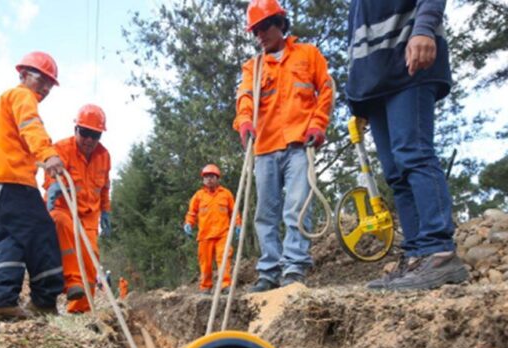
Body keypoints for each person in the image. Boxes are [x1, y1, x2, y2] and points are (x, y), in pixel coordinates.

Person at [347, 0, 468, 290]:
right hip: (373, 82)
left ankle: (439, 252)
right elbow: (355, 39)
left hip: (407, 61)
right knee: (395, 173)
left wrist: (424, 27)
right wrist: (357, 96)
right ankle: (416, 255)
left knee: (413, 154)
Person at [234, 0, 334, 292]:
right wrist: (243, 122)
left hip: (299, 144)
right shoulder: (253, 66)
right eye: (255, 30)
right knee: (265, 213)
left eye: (264, 27)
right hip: (264, 147)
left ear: (279, 23)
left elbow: (326, 90)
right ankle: (268, 271)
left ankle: (294, 268)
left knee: (297, 208)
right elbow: (245, 99)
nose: (259, 35)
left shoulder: (308, 55)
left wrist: (318, 124)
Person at [0, 51, 66, 317]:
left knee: (12, 239)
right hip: (10, 181)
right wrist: (48, 154)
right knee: (43, 232)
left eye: (50, 83)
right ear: (23, 75)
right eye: (42, 79)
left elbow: (21, 135)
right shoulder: (22, 96)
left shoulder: (7, 101)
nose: (46, 88)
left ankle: (0, 298)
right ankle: (44, 301)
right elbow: (31, 126)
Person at [44, 104, 112, 313]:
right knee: (61, 224)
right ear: (76, 130)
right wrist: (52, 186)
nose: (90, 140)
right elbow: (48, 176)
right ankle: (72, 281)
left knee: (91, 258)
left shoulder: (104, 156)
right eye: (85, 133)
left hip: (89, 215)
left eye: (95, 135)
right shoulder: (61, 149)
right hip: (64, 208)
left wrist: (106, 210)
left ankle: (80, 310)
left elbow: (104, 187)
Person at [183, 164, 241, 294]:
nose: (209, 179)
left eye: (212, 176)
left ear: (217, 178)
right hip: (205, 236)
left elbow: (234, 212)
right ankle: (206, 287)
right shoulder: (198, 196)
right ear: (203, 180)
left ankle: (225, 286)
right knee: (206, 263)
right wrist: (189, 224)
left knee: (224, 259)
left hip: (223, 234)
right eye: (206, 177)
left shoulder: (226, 194)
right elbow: (192, 213)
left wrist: (238, 225)